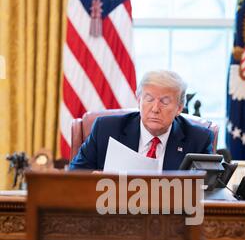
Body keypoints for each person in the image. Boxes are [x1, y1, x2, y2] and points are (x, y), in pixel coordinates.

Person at [69, 70, 214, 171]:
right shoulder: (106, 129)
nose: (155, 108)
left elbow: (207, 189)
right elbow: (76, 174)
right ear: (139, 100)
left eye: (164, 101)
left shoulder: (198, 139)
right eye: (149, 99)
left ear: (179, 108)